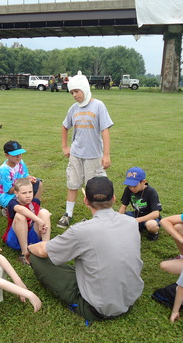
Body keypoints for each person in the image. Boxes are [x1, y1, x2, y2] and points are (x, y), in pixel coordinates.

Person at [27, 176, 143, 322]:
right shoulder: (131, 222)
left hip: (98, 309)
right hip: (130, 299)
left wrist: (30, 248)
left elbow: (44, 251)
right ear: (113, 198)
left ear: (86, 201)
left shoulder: (81, 231)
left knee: (36, 257)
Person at [57, 70, 113, 229]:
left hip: (93, 156)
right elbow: (64, 126)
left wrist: (106, 154)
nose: (74, 95)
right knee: (72, 183)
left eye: (77, 91)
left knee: (94, 187)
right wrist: (65, 146)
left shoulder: (98, 105)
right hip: (76, 154)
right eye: (72, 92)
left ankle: (98, 217)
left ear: (85, 89)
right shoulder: (74, 108)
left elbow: (105, 130)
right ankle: (68, 214)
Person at [2, 178, 51, 265]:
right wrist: (38, 220)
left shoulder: (35, 202)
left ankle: (45, 247)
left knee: (45, 212)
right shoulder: (12, 203)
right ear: (16, 193)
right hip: (15, 238)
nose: (28, 195)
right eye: (24, 193)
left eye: (30, 192)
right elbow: (20, 209)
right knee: (20, 216)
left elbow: (41, 214)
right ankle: (24, 253)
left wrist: (41, 219)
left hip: (31, 235)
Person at [0, 140, 43, 216]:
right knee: (21, 212)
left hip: (20, 189)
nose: (18, 156)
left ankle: (35, 207)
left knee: (38, 182)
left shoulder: (20, 162)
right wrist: (26, 181)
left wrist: (31, 178)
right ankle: (6, 208)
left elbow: (26, 175)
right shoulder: (4, 170)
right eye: (15, 154)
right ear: (6, 155)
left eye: (20, 153)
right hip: (6, 196)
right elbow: (9, 191)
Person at [118, 167, 162, 241]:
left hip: (150, 217)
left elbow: (155, 213)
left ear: (143, 182)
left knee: (151, 225)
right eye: (129, 185)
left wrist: (137, 220)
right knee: (120, 217)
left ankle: (154, 233)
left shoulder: (151, 191)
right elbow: (123, 206)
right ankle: (137, 227)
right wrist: (118, 218)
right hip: (135, 214)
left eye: (135, 186)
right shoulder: (128, 189)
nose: (131, 188)